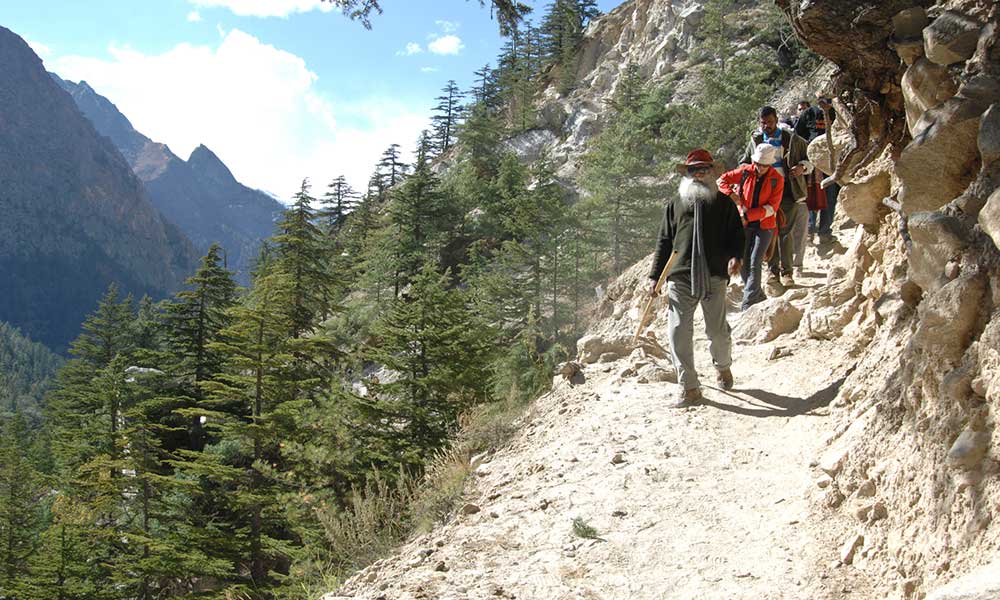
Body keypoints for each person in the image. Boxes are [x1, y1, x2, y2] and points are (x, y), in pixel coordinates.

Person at [648, 149, 745, 408]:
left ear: (712, 173)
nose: (699, 175)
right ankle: (689, 387)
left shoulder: (724, 204)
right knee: (678, 331)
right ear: (687, 175)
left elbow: (737, 235)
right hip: (680, 275)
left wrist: (736, 256)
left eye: (704, 170)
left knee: (717, 332)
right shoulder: (675, 204)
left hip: (714, 273)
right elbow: (664, 242)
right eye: (694, 170)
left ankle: (723, 366)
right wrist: (654, 277)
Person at [740, 106, 813, 285]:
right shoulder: (755, 141)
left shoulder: (791, 139)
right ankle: (773, 272)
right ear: (759, 123)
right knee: (770, 232)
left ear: (776, 120)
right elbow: (744, 161)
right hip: (764, 194)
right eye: (763, 123)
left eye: (770, 122)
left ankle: (787, 273)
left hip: (788, 190)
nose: (767, 126)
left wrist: (801, 167)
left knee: (785, 232)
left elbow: (810, 158)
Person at [717, 144, 783, 311]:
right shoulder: (745, 171)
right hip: (744, 224)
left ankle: (748, 303)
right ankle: (756, 294)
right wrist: (730, 194)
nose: (760, 168)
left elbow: (772, 208)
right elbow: (722, 180)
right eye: (758, 164)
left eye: (764, 165)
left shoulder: (777, 179)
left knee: (755, 261)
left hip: (765, 225)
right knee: (744, 262)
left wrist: (747, 216)